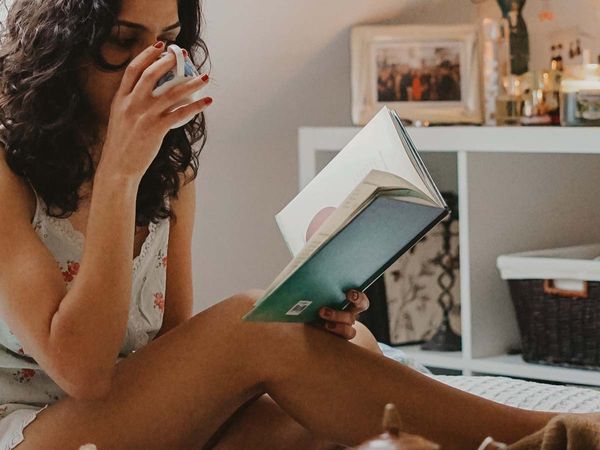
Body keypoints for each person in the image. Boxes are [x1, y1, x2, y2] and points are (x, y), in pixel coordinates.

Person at [0, 1, 558, 449]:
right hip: (37, 428)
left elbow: (170, 349)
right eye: (124, 41)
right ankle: (546, 435)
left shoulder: (169, 166)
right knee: (253, 324)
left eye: (168, 40)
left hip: (134, 418)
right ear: (61, 50)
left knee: (350, 359)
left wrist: (310, 325)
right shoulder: (9, 167)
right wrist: (118, 174)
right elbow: (84, 375)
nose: (158, 64)